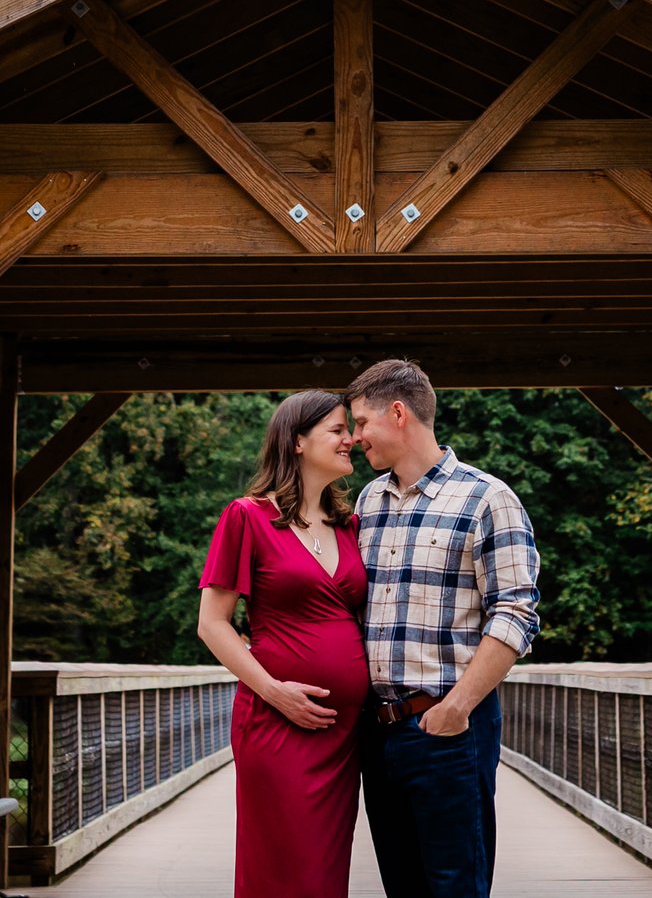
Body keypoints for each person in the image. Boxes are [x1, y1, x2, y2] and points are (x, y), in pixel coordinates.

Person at [347, 359, 540, 898]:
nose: (355, 437)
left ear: (398, 413)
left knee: (456, 886)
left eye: (361, 422)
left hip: (450, 728)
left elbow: (516, 613)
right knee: (401, 885)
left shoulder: (488, 499)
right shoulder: (368, 501)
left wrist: (456, 708)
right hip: (378, 732)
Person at [197, 389, 370, 898]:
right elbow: (212, 624)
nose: (351, 439)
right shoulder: (246, 516)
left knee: (324, 871)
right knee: (281, 866)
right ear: (297, 441)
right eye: (338, 430)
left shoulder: (350, 525)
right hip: (276, 723)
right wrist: (275, 692)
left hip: (342, 735)